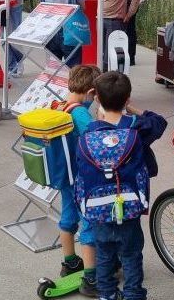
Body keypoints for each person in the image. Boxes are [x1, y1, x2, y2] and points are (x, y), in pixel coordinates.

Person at [82, 71, 167, 300]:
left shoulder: (89, 133)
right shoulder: (136, 129)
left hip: (99, 208)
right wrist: (133, 109)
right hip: (129, 208)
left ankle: (107, 295)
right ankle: (133, 295)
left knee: (104, 255)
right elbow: (160, 122)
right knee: (131, 255)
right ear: (127, 98)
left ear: (97, 97)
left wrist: (94, 103)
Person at [55, 64, 101, 297]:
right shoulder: (80, 112)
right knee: (88, 221)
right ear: (91, 92)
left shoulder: (60, 104)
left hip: (65, 175)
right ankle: (91, 278)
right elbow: (96, 138)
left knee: (68, 216)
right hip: (82, 178)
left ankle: (70, 262)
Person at [39, 0, 88, 68]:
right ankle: (72, 85)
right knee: (73, 67)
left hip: (51, 32)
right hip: (70, 31)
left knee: (53, 67)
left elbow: (42, 9)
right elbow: (83, 6)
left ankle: (53, 85)